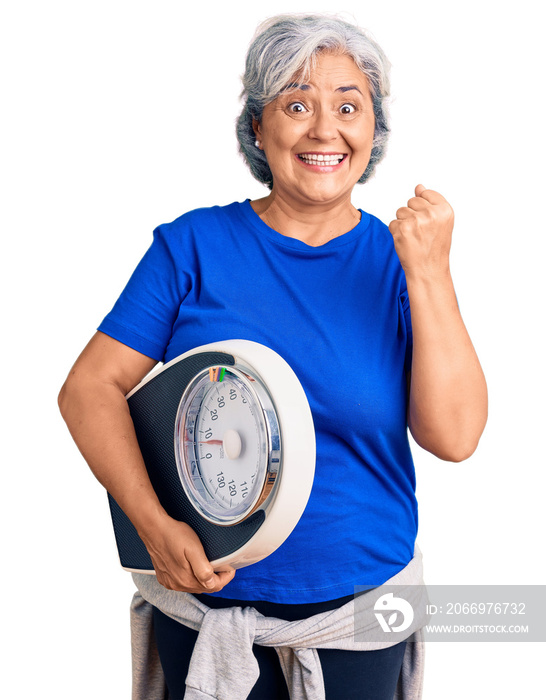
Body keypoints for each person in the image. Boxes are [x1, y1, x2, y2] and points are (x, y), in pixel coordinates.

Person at [58, 13, 487, 700]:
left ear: (372, 132)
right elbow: (89, 389)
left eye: (349, 106)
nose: (325, 129)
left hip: (359, 621)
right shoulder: (192, 247)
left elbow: (455, 436)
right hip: (205, 614)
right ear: (259, 128)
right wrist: (153, 525)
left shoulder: (401, 262)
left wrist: (430, 273)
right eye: (296, 103)